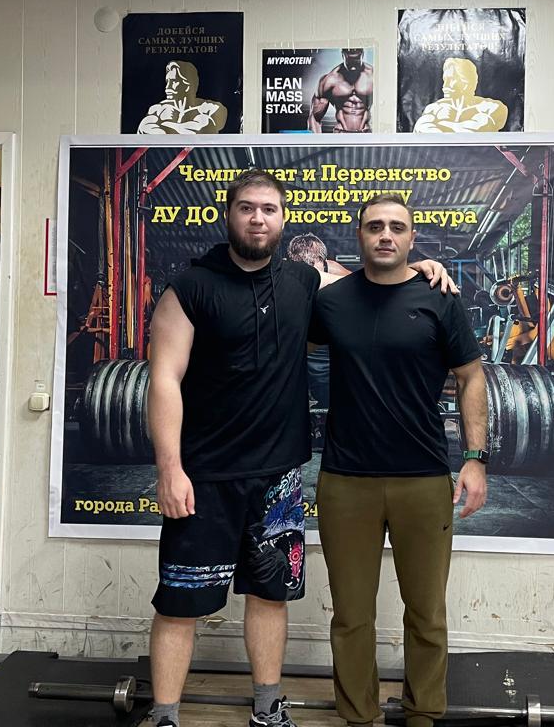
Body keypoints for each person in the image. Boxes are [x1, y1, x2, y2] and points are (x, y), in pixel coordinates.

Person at [146, 173, 456, 727]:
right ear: (228, 214)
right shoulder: (190, 287)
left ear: (283, 220)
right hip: (205, 475)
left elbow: (377, 279)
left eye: (268, 209)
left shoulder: (302, 281)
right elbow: (164, 379)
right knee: (180, 599)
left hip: (280, 476)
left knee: (270, 596)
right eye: (247, 208)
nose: (257, 219)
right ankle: (165, 715)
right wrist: (170, 468)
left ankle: (268, 709)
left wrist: (426, 268)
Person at [309, 194, 489, 727]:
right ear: (359, 237)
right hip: (346, 480)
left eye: (396, 227)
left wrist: (475, 458)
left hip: (424, 478)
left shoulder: (439, 298)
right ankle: (358, 717)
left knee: (427, 613)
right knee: (350, 615)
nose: (385, 235)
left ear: (412, 238)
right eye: (374, 226)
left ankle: (423, 714)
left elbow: (471, 377)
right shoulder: (330, 302)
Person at [413, 57, 507, 133]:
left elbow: (475, 132)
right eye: (445, 80)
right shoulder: (434, 108)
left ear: (466, 82)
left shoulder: (492, 107)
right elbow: (422, 130)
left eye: (451, 80)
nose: (445, 85)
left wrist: (442, 124)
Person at [138, 60, 229, 134]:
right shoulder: (158, 109)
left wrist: (165, 124)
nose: (168, 87)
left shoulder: (211, 108)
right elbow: (144, 130)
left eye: (173, 81)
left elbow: (204, 130)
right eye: (167, 81)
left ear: (187, 85)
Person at [310, 48, 374, 133]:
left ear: (362, 54)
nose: (353, 66)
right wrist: (317, 141)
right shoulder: (330, 80)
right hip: (340, 134)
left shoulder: (374, 76)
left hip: (365, 134)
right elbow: (314, 118)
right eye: (350, 60)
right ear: (343, 55)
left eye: (356, 60)